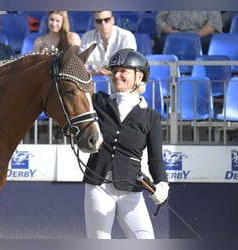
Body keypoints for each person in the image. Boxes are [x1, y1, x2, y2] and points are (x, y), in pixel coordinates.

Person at [83, 48, 169, 239]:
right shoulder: (98, 102)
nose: (117, 75)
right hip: (99, 185)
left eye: (124, 71)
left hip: (131, 189)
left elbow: (155, 160)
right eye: (114, 71)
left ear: (139, 76)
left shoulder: (151, 117)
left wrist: (162, 184)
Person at [79, 11, 137, 76]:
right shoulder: (87, 37)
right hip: (99, 79)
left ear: (112, 20)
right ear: (94, 23)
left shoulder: (126, 36)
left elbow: (128, 66)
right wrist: (97, 73)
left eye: (107, 20)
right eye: (99, 21)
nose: (103, 24)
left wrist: (112, 73)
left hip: (122, 78)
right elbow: (82, 66)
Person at [154, 11, 223, 54]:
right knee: (163, 42)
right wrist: (170, 31)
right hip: (174, 34)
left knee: (209, 43)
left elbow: (214, 23)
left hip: (200, 34)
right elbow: (160, 20)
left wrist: (195, 36)